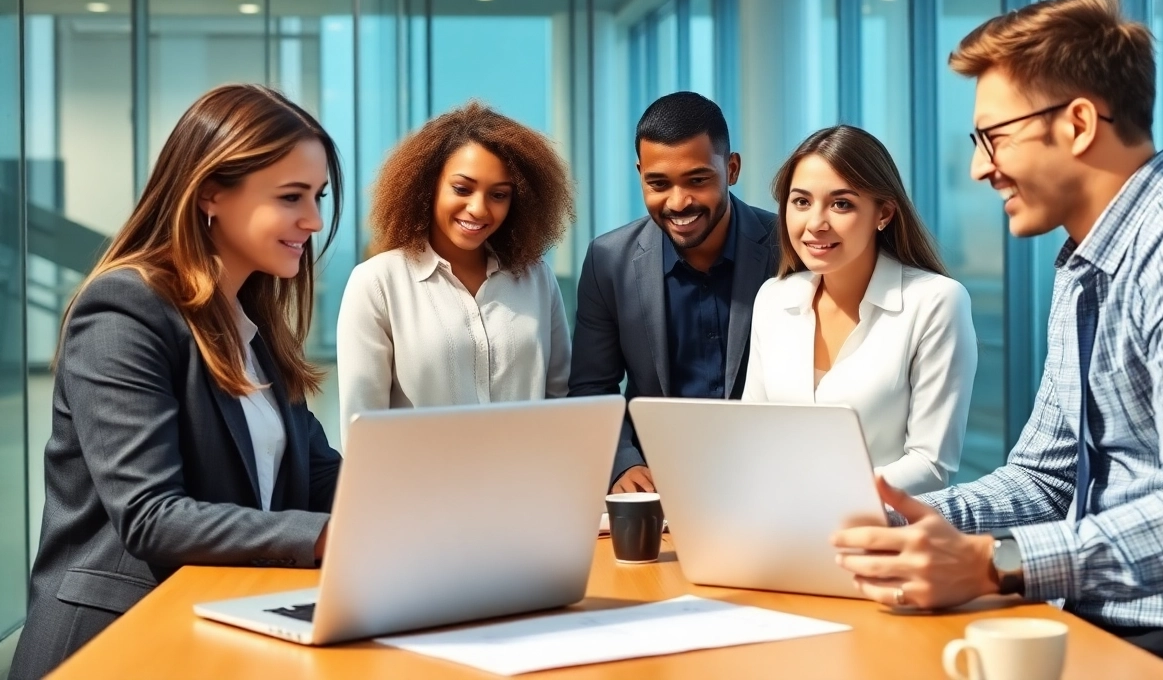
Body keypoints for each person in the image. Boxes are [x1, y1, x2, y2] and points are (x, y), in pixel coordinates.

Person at [831, 0, 1163, 680]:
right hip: (1101, 627)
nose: (980, 167)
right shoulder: (1087, 266)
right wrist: (890, 525)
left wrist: (994, 561)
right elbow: (1043, 480)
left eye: (993, 137)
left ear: (1076, 124)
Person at [10, 84, 345, 680]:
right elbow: (150, 514)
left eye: (317, 196)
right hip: (118, 642)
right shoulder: (123, 310)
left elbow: (315, 472)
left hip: (222, 622)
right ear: (211, 193)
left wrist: (414, 507)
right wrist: (327, 537)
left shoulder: (246, 323)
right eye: (292, 197)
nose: (314, 220)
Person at [742, 125, 976, 493]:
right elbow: (750, 435)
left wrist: (826, 501)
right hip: (777, 525)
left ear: (883, 213)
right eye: (801, 201)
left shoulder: (937, 302)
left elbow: (931, 465)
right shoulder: (773, 297)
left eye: (841, 204)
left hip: (878, 533)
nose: (816, 224)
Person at [569, 91, 780, 492]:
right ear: (640, 175)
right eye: (658, 183)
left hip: (767, 478)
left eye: (697, 180)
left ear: (731, 169)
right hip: (656, 484)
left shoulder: (788, 249)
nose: (678, 202)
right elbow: (591, 387)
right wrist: (621, 464)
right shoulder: (608, 260)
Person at [336, 102, 574, 437]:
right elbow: (362, 426)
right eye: (462, 189)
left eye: (499, 195)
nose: (478, 209)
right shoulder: (376, 283)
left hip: (526, 484)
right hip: (423, 488)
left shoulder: (536, 278)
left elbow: (560, 401)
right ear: (428, 185)